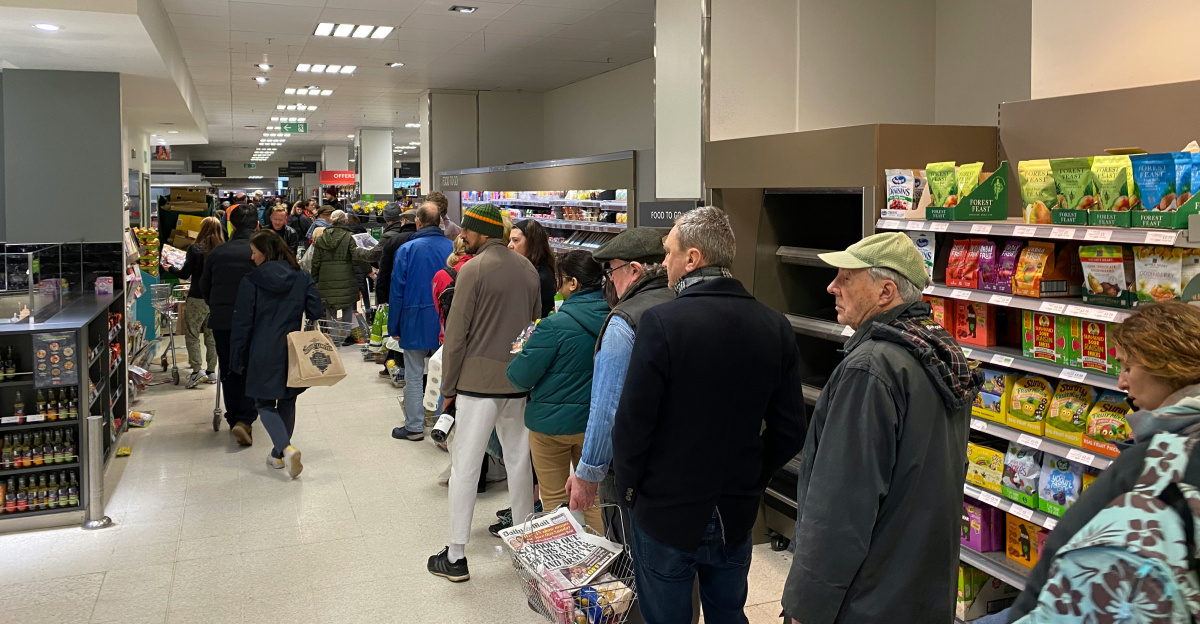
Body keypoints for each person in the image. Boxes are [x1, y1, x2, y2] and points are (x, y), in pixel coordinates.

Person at [611, 207, 807, 623]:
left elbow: (633, 424)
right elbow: (790, 430)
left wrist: (629, 491)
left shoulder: (661, 323)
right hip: (736, 512)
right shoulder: (775, 326)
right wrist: (753, 476)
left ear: (693, 258)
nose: (663, 262)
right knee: (728, 612)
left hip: (665, 510)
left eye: (668, 252)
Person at [780, 232, 980, 624]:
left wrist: (806, 608)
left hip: (865, 602)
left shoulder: (871, 369)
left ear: (886, 291)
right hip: (919, 591)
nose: (831, 286)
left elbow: (840, 508)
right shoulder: (940, 354)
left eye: (846, 278)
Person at [999, 301, 1200, 624]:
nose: (1121, 383)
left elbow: (1062, 548)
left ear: (1163, 365)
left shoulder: (1153, 460)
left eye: (1127, 367)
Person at [429, 202, 540, 583]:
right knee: (519, 462)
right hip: (518, 381)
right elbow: (534, 327)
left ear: (478, 232)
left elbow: (456, 336)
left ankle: (457, 555)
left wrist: (448, 389)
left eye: (467, 230)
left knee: (466, 464)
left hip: (476, 384)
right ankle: (526, 548)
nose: (462, 235)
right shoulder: (527, 269)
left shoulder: (472, 270)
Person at [565, 228, 675, 524]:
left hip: (632, 469)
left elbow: (607, 408)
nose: (610, 279)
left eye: (612, 270)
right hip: (681, 464)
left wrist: (587, 474)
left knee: (632, 555)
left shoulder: (624, 322)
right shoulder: (685, 303)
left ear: (635, 270)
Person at [506, 250, 610, 533]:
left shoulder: (552, 326)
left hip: (551, 427)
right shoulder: (616, 318)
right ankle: (608, 566)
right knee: (596, 499)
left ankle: (563, 568)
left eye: (560, 280)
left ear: (572, 283)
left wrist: (525, 351)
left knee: (553, 501)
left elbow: (518, 378)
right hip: (595, 426)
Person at [229, 231, 324, 479]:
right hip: (292, 347)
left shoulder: (250, 281)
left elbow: (242, 323)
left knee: (263, 403)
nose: (252, 257)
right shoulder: (302, 276)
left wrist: (236, 356)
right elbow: (316, 309)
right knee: (288, 399)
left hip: (261, 349)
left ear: (266, 252)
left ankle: (286, 448)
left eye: (254, 251)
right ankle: (277, 454)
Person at [389, 203, 453, 441]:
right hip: (444, 320)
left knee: (414, 374)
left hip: (413, 319)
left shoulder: (407, 249)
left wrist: (394, 326)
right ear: (439, 222)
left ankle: (414, 427)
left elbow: (397, 291)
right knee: (441, 373)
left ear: (418, 221)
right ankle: (440, 426)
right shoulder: (451, 248)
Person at [197, 205, 261, 445]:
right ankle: (246, 417)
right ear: (257, 225)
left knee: (230, 369)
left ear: (231, 226)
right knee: (253, 367)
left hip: (224, 321)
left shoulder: (218, 253)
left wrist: (217, 306)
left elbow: (205, 286)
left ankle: (235, 418)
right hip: (255, 320)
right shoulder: (261, 251)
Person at [163, 216, 223, 388]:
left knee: (192, 333)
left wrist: (170, 268)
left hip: (197, 296)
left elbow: (184, 274)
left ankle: (197, 371)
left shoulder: (195, 249)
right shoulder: (223, 249)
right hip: (217, 298)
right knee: (212, 336)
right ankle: (212, 371)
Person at [310, 210, 369, 346]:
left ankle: (334, 337)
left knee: (330, 308)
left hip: (326, 277)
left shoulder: (321, 239)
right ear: (345, 221)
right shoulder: (349, 237)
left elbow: (316, 262)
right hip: (346, 276)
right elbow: (358, 257)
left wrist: (314, 280)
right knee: (347, 306)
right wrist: (369, 270)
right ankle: (346, 336)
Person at [509, 219, 557, 318]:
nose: (509, 245)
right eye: (510, 240)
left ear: (532, 243)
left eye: (515, 240)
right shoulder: (521, 269)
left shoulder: (542, 277)